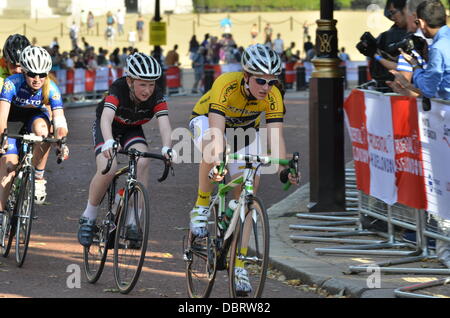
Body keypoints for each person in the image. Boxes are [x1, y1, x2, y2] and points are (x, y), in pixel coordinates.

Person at [188, 44, 299, 294]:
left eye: (272, 81)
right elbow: (216, 130)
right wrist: (219, 160)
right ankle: (202, 205)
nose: (266, 87)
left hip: (245, 131)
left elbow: (276, 138)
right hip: (208, 121)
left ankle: (239, 265)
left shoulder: (272, 95)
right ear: (246, 76)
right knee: (214, 146)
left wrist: (283, 168)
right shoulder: (226, 84)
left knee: (250, 187)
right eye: (260, 80)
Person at [77, 52, 174, 247]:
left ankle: (133, 221)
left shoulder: (157, 95)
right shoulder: (118, 88)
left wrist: (167, 147)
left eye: (151, 84)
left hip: (132, 128)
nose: (147, 90)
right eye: (142, 84)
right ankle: (89, 216)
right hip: (108, 127)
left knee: (143, 161)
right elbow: (105, 118)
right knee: (109, 167)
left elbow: (164, 123)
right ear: (130, 80)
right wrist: (109, 141)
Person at [0, 46, 69, 215]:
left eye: (42, 74)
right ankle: (1, 217)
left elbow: (59, 120)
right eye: (32, 74)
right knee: (9, 169)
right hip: (13, 120)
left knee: (44, 132)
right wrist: (3, 138)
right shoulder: (11, 84)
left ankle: (38, 177)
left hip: (34, 118)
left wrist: (61, 141)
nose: (37, 79)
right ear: (23, 71)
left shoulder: (51, 88)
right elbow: (2, 116)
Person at [395, 0, 450, 100]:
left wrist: (415, 65)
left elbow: (428, 89)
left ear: (421, 23)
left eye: (417, 22)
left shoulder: (437, 48)